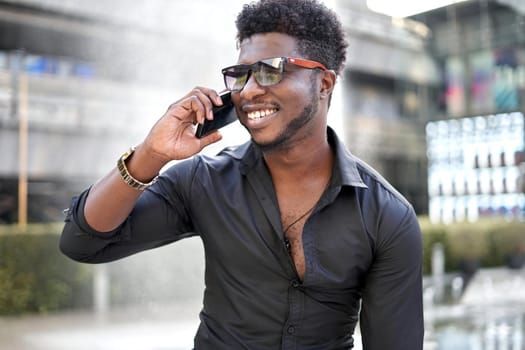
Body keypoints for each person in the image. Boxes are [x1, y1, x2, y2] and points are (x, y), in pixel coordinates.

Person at [60, 0, 424, 348]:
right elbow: (83, 243)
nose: (248, 91)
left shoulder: (387, 216)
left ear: (324, 84)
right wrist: (150, 155)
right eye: (239, 75)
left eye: (270, 70)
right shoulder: (203, 181)